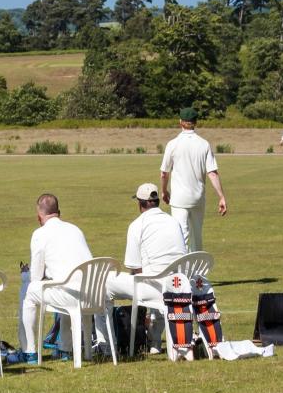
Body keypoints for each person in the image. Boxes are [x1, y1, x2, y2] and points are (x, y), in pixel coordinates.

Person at [94, 183, 188, 354]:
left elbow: (135, 268)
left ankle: (106, 346)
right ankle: (155, 343)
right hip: (179, 286)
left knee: (103, 282)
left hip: (156, 287)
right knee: (156, 278)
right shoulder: (174, 221)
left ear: (140, 203)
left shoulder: (137, 225)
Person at [21, 194, 92, 362]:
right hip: (92, 293)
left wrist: (25, 275)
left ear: (39, 216)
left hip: (70, 294)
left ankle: (29, 351)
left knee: (28, 291)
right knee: (66, 284)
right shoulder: (75, 229)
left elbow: (36, 277)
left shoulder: (40, 233)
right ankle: (64, 348)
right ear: (58, 213)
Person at [160, 107, 228, 252]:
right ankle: (198, 274)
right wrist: (221, 197)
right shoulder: (203, 144)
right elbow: (212, 173)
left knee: (181, 238)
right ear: (195, 122)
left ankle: (182, 273)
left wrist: (164, 191)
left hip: (179, 199)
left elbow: (164, 173)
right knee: (197, 238)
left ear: (180, 122)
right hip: (197, 198)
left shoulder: (173, 144)